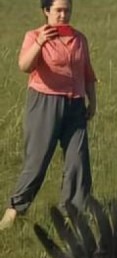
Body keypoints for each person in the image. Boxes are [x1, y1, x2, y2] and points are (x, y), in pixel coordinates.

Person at [0, 0, 97, 230]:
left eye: (67, 11)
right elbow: (24, 65)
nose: (63, 15)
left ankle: (74, 211)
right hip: (45, 102)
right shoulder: (34, 36)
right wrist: (41, 43)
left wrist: (92, 101)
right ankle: (15, 210)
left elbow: (87, 72)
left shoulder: (79, 39)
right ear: (46, 11)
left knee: (78, 159)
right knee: (37, 160)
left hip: (75, 103)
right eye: (58, 11)